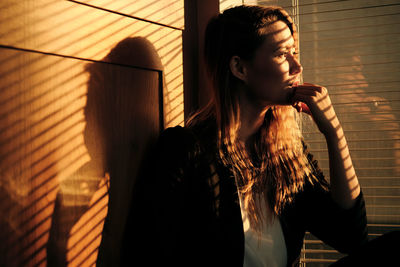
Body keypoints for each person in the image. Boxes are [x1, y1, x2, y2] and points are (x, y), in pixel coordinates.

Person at [121, 5, 384, 267]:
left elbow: (351, 237)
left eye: (294, 52)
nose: (297, 66)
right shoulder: (186, 151)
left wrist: (334, 134)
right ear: (239, 68)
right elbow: (149, 253)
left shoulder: (287, 155)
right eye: (282, 54)